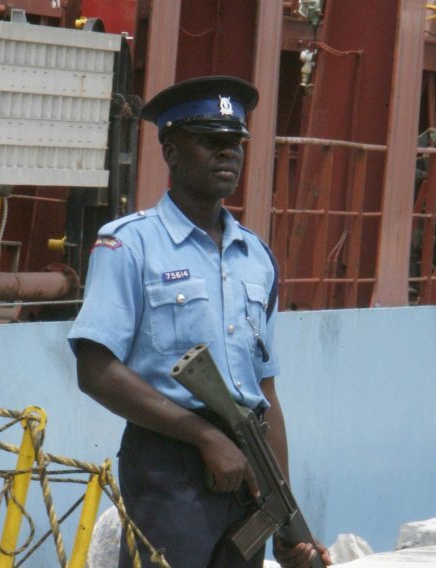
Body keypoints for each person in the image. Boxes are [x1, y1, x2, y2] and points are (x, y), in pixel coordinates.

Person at [67, 76, 330, 568]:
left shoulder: (257, 257)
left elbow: (265, 392)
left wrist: (287, 519)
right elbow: (95, 369)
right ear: (169, 150)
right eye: (211, 142)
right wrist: (204, 437)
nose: (227, 154)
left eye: (235, 144)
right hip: (169, 464)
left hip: (250, 460)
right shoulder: (129, 245)